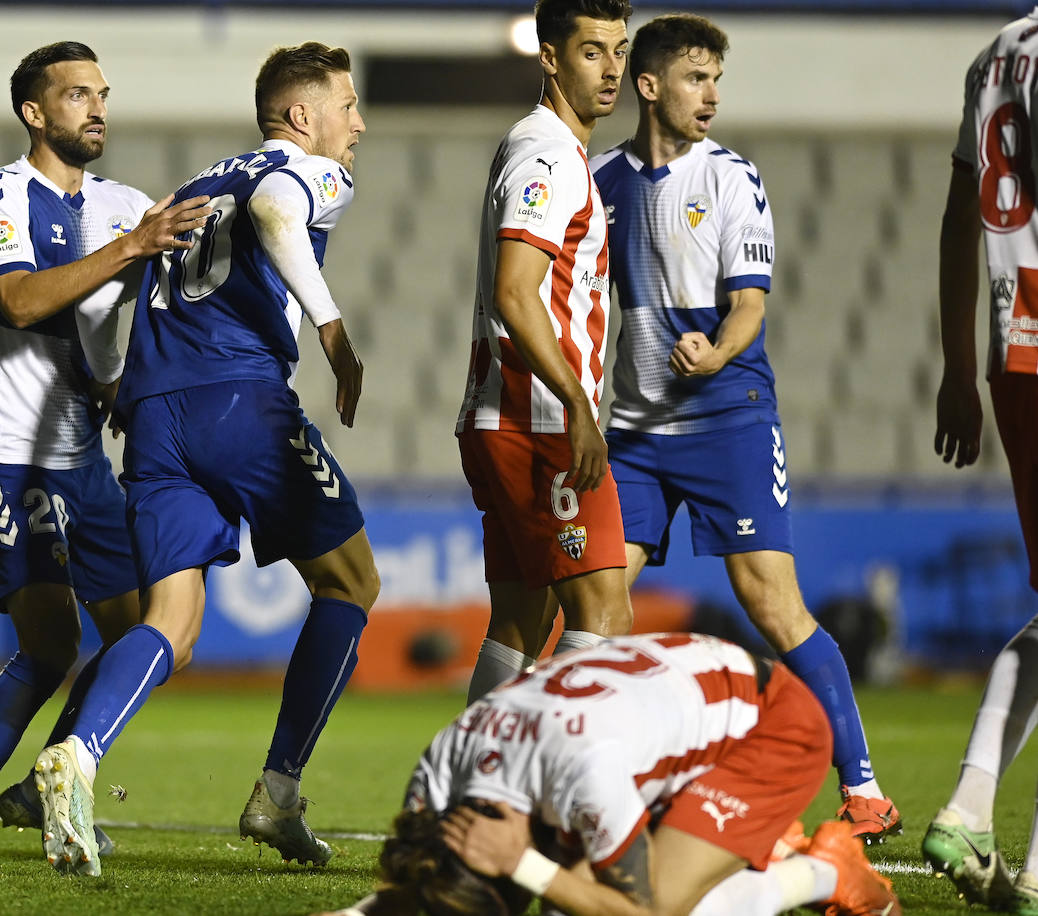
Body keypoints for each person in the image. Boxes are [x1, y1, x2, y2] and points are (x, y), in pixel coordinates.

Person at [28, 41, 379, 877]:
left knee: (172, 628)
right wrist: (330, 327)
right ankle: (279, 793)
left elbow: (132, 286)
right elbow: (280, 216)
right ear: (302, 117)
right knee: (352, 583)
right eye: (347, 105)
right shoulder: (307, 169)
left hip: (154, 415)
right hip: (238, 404)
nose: (358, 123)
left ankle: (76, 757)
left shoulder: (193, 187)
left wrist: (117, 382)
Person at [0, 40, 210, 871]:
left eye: (102, 93)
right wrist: (132, 249)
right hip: (6, 447)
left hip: (82, 456)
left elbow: (165, 294)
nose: (96, 106)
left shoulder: (124, 204)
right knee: (49, 645)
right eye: (75, 95)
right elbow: (21, 300)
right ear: (35, 112)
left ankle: (43, 787)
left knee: (152, 633)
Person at [588, 13, 899, 844]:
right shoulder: (598, 180)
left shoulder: (732, 178)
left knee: (773, 605)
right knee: (597, 604)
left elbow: (750, 308)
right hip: (633, 437)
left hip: (727, 417)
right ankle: (606, 786)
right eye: (695, 78)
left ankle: (863, 786)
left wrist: (715, 354)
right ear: (649, 86)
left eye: (716, 79)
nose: (711, 95)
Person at [314, 633, 900, 916]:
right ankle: (749, 845)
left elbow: (640, 914)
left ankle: (822, 872)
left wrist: (525, 865)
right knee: (570, 897)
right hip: (669, 697)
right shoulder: (443, 764)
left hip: (772, 724)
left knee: (658, 903)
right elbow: (430, 880)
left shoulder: (583, 774)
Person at [456, 0, 635, 707]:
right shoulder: (549, 155)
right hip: (539, 421)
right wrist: (578, 408)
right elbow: (517, 291)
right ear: (551, 57)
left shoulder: (539, 146)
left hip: (504, 417)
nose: (613, 68)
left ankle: (466, 797)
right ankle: (554, 793)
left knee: (524, 621)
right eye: (593, 51)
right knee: (606, 619)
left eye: (620, 50)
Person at [923, 7, 1038, 913]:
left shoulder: (997, 52)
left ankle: (974, 809)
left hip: (1014, 354)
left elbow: (963, 214)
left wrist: (962, 368)